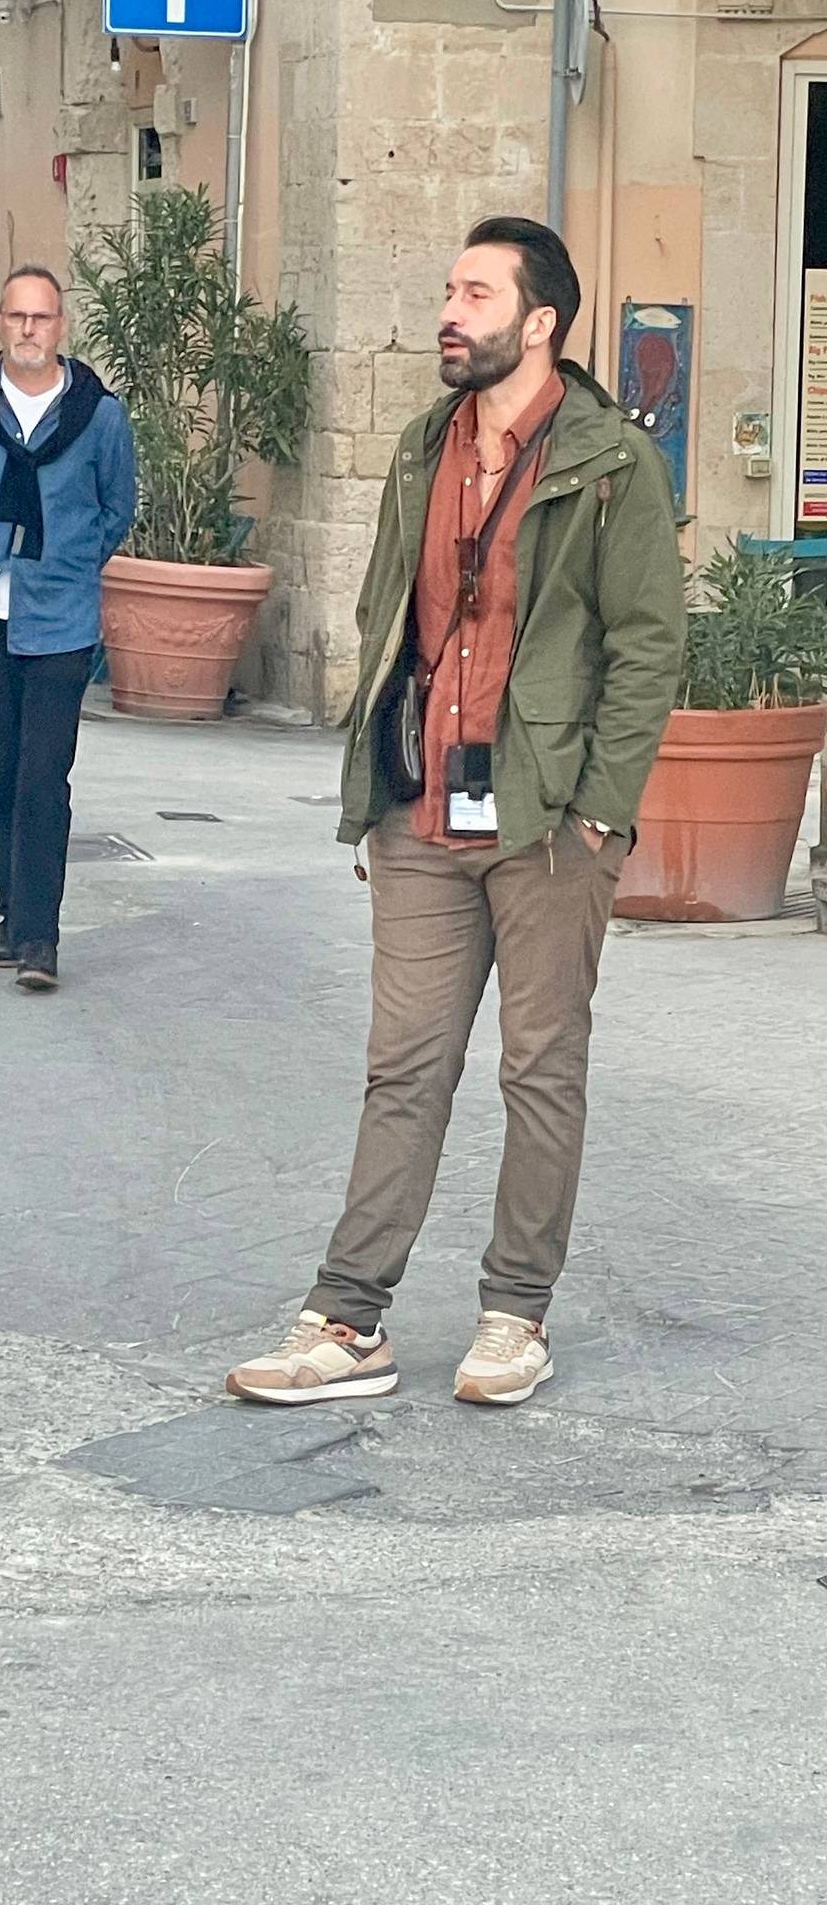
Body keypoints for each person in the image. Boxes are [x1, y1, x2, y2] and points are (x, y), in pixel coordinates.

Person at [227, 218, 685, 1410]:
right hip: (425, 808)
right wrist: (378, 779)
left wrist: (600, 812)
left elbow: (647, 648)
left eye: (475, 293)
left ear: (539, 323)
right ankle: (348, 1320)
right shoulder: (425, 444)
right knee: (404, 1070)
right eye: (449, 289)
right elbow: (393, 611)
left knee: (540, 1071)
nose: (449, 310)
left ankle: (514, 1315)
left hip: (547, 822)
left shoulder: (612, 464)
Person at [0, 271, 135, 992]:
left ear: (60, 326)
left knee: (44, 777)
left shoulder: (98, 415)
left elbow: (117, 506)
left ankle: (39, 938)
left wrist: (69, 564)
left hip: (61, 618)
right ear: (0, 321)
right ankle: (12, 913)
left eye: (41, 318)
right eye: (17, 316)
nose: (27, 329)